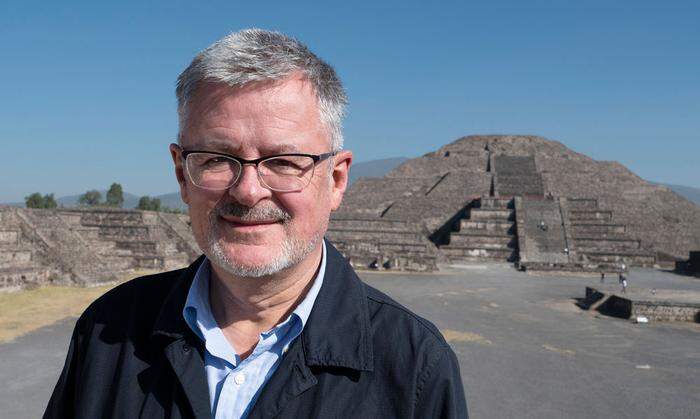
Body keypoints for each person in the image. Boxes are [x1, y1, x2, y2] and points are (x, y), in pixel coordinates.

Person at [44, 29, 467, 418]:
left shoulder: (415, 367)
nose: (247, 191)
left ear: (336, 180)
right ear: (181, 176)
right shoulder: (107, 331)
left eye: (284, 161)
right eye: (216, 160)